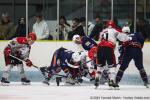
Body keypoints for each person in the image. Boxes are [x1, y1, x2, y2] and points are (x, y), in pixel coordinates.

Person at [95, 20, 132, 89]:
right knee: (112, 65)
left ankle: (97, 78)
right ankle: (111, 80)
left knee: (100, 65)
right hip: (108, 48)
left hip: (99, 48)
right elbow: (123, 38)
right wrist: (129, 38)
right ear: (113, 25)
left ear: (107, 25)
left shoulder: (102, 31)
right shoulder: (114, 30)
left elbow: (100, 40)